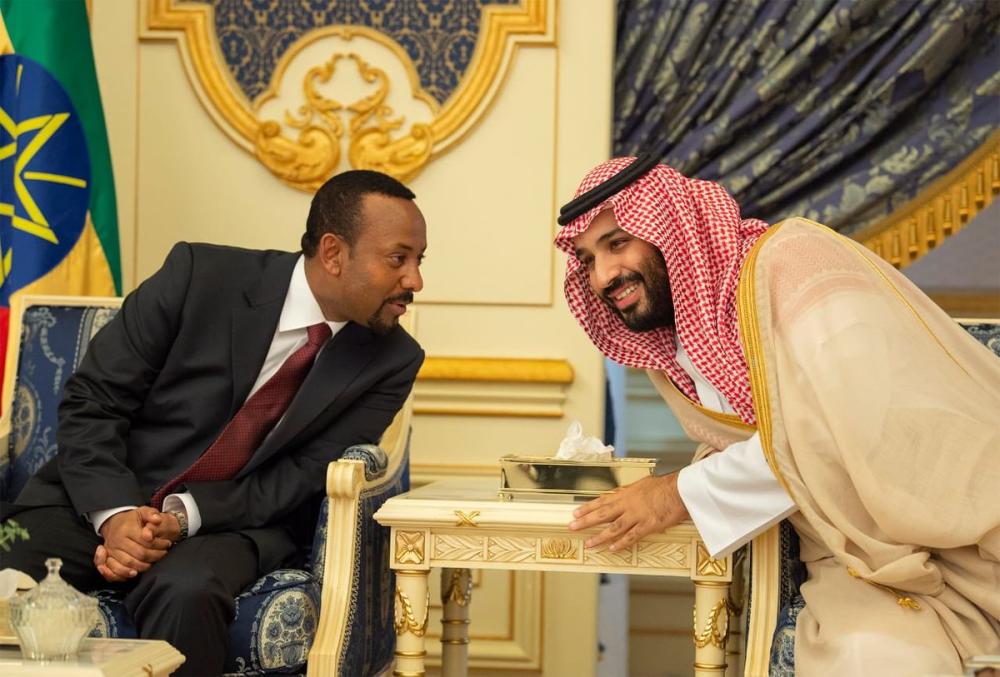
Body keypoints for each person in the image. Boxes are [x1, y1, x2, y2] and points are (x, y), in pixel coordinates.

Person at [557, 157, 1000, 674]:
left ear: (671, 227)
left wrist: (678, 492)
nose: (604, 276)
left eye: (617, 243)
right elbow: (764, 439)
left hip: (959, 528)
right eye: (587, 260)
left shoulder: (795, 263)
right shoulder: (674, 350)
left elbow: (839, 434)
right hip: (854, 565)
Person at [0, 169, 427, 675]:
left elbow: (303, 474)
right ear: (333, 254)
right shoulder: (199, 275)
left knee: (187, 591)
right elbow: (95, 399)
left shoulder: (391, 360)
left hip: (230, 524)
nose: (415, 280)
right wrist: (116, 514)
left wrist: (180, 517)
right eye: (399, 259)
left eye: (419, 261)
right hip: (95, 497)